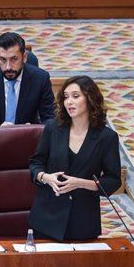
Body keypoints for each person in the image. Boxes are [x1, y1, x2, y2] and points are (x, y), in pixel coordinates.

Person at [29, 75, 121, 241]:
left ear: (90, 98)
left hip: (83, 220)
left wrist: (81, 183)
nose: (69, 102)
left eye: (75, 96)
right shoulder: (52, 128)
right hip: (47, 217)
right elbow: (36, 163)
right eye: (65, 97)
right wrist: (45, 177)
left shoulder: (106, 137)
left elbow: (113, 180)